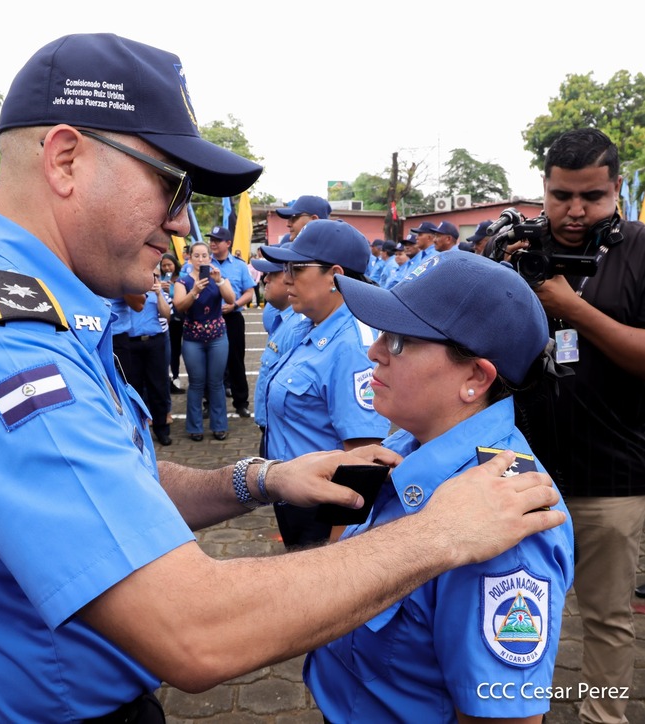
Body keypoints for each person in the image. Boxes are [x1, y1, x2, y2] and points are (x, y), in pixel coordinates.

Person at [0, 33, 565, 723]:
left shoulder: (31, 312)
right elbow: (193, 632)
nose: (183, 225)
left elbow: (111, 486)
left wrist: (257, 480)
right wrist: (437, 535)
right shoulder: (3, 350)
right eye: (172, 186)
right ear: (65, 159)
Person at [305, 252, 574, 722]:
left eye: (402, 342)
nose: (375, 351)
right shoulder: (411, 440)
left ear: (475, 378)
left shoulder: (504, 525)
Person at [505, 128, 645, 724]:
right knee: (510, 608)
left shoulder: (641, 250)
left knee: (607, 618)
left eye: (592, 196)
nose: (575, 211)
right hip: (518, 469)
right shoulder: (516, 249)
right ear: (544, 187)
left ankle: (602, 717)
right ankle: (507, 709)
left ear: (617, 188)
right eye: (561, 196)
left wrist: (572, 309)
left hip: (612, 474)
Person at [260, 220, 392, 547]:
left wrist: (337, 549)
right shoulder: (312, 324)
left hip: (323, 509)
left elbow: (362, 458)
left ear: (334, 276)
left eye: (296, 268)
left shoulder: (353, 346)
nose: (285, 278)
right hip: (294, 489)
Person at [173, 241, 235, 441]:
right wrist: (194, 292)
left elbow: (231, 299)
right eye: (196, 256)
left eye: (204, 256)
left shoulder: (218, 277)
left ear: (210, 258)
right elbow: (179, 306)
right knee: (197, 383)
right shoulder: (182, 282)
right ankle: (195, 428)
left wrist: (218, 282)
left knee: (216, 382)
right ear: (189, 258)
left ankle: (219, 426)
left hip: (217, 337)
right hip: (193, 339)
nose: (200, 260)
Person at [250, 255, 304, 456]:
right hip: (270, 426)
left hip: (281, 433)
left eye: (272, 274)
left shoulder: (298, 326)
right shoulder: (277, 314)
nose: (265, 279)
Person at [112, 280, 173, 446]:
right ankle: (138, 430)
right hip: (131, 342)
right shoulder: (124, 288)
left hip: (154, 341)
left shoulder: (155, 290)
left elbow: (167, 316)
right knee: (135, 389)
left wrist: (159, 293)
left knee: (158, 386)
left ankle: (162, 429)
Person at [206, 226, 256, 418]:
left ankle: (241, 401)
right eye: (211, 239)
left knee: (236, 361)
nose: (212, 243)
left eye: (217, 240)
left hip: (233, 317)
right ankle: (208, 402)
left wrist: (234, 304)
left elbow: (249, 293)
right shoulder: (203, 264)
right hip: (208, 319)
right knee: (209, 362)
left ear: (228, 243)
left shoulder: (240, 265)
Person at [159, 252, 185, 394]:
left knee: (180, 349)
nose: (167, 268)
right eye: (164, 266)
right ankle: (172, 378)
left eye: (169, 265)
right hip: (166, 320)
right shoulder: (160, 279)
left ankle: (176, 376)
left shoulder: (182, 279)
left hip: (181, 319)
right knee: (171, 350)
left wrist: (172, 289)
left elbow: (183, 298)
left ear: (175, 264)